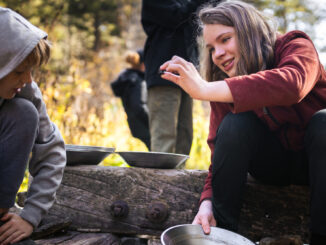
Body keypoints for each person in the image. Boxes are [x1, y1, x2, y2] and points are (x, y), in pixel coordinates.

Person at [160, 1, 326, 244]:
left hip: (318, 164)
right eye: (211, 48)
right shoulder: (221, 85)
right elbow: (220, 150)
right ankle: (222, 237)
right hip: (273, 167)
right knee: (236, 124)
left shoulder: (294, 45)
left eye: (225, 39)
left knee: (323, 122)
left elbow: (293, 84)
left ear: (249, 31)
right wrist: (207, 203)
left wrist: (205, 88)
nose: (217, 54)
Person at [0, 7, 66, 245]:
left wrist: (30, 216)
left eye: (31, 71)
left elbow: (52, 152)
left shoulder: (26, 90)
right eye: (19, 71)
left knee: (24, 113)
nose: (28, 79)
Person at [141, 0, 214, 158]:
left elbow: (200, 25)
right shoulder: (157, 3)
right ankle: (159, 180)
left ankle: (178, 179)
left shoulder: (186, 4)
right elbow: (177, 16)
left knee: (185, 136)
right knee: (164, 137)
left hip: (187, 76)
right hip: (163, 75)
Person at [111, 49, 151, 150]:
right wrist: (152, 122)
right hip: (144, 126)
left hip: (134, 124)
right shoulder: (137, 81)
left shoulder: (127, 78)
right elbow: (138, 106)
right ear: (143, 64)